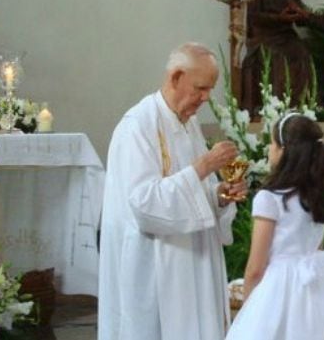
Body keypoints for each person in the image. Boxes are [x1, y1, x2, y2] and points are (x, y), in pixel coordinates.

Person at [97, 43, 248, 340]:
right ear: (176, 77)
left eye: (209, 90)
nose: (205, 98)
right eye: (200, 88)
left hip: (192, 265)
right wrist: (205, 165)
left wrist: (220, 194)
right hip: (155, 269)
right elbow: (144, 204)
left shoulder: (187, 125)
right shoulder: (137, 126)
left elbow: (196, 196)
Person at [225, 113, 324, 340]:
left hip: (278, 290)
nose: (269, 149)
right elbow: (317, 249)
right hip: (316, 287)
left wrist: (249, 309)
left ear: (284, 150)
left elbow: (256, 268)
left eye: (272, 143)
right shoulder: (321, 196)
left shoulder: (269, 198)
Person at [242, 0, 312, 112]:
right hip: (263, 36)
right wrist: (278, 18)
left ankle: (297, 106)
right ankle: (272, 107)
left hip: (286, 35)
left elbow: (301, 18)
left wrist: (301, 14)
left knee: (302, 53)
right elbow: (254, 17)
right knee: (276, 57)